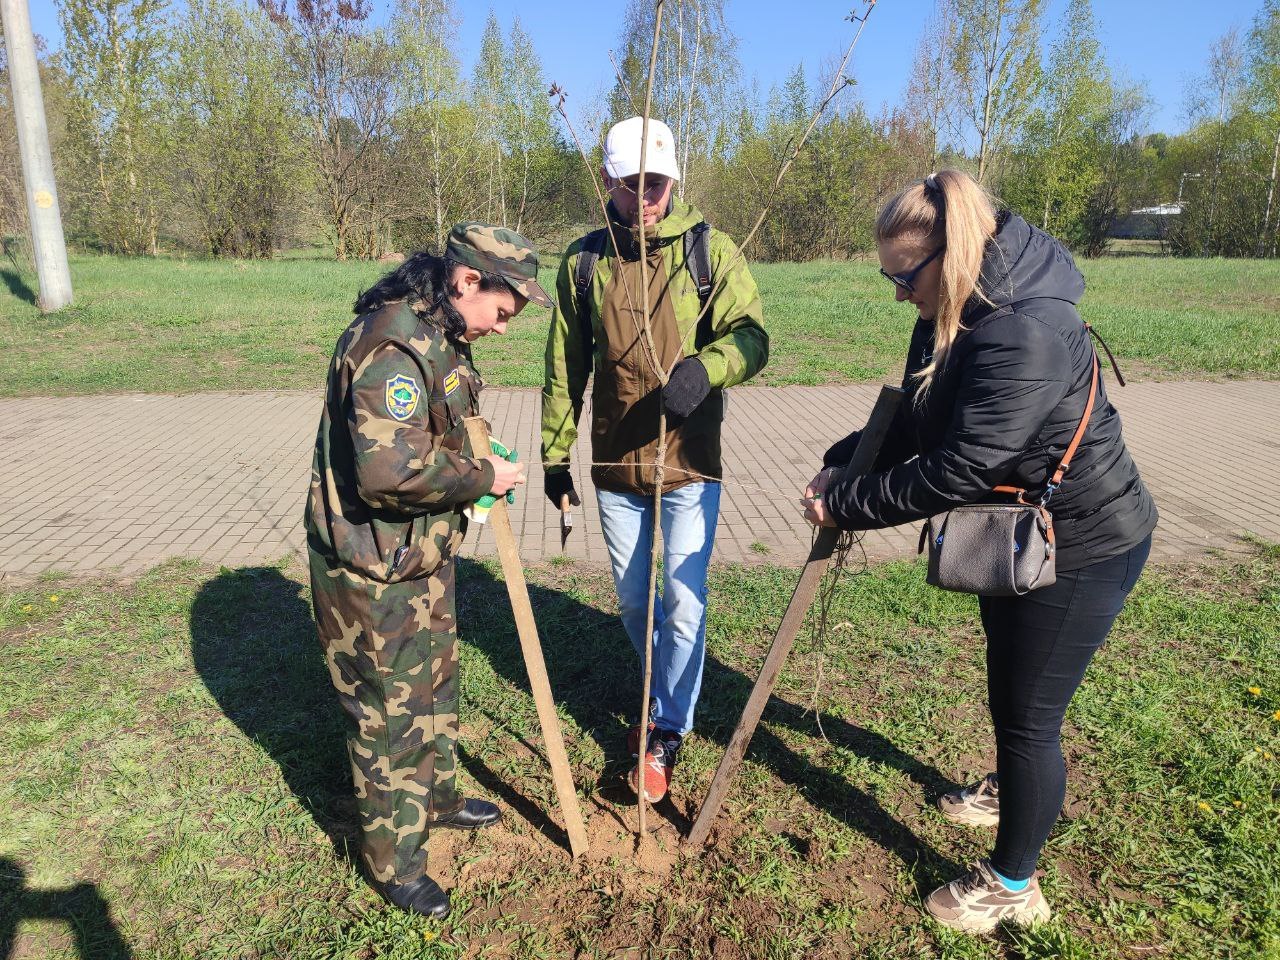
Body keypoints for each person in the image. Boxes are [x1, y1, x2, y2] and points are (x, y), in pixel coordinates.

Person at [803, 169, 1157, 933]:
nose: (898, 293)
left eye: (904, 276)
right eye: (889, 277)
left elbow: (961, 466)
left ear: (952, 254)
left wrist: (848, 505)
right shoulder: (953, 303)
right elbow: (921, 415)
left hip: (1081, 545)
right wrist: (848, 460)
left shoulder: (1025, 329)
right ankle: (1011, 789)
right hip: (1019, 533)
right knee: (1012, 694)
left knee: (1030, 716)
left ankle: (1012, 884)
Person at [305, 223, 551, 920]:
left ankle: (436, 798)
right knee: (389, 716)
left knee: (437, 683)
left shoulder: (441, 336)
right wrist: (479, 475)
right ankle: (396, 865)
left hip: (419, 554)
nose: (503, 329)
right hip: (372, 566)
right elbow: (388, 473)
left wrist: (477, 454)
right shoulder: (391, 343)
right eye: (504, 312)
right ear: (467, 281)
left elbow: (437, 429)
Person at [541, 116, 769, 802]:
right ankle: (662, 683)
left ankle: (666, 729)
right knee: (637, 600)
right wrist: (556, 458)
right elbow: (564, 364)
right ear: (607, 181)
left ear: (674, 179)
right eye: (632, 182)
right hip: (615, 465)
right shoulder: (583, 261)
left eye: (658, 181)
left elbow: (755, 336)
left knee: (684, 600)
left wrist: (712, 365)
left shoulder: (711, 251)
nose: (646, 194)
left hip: (690, 462)